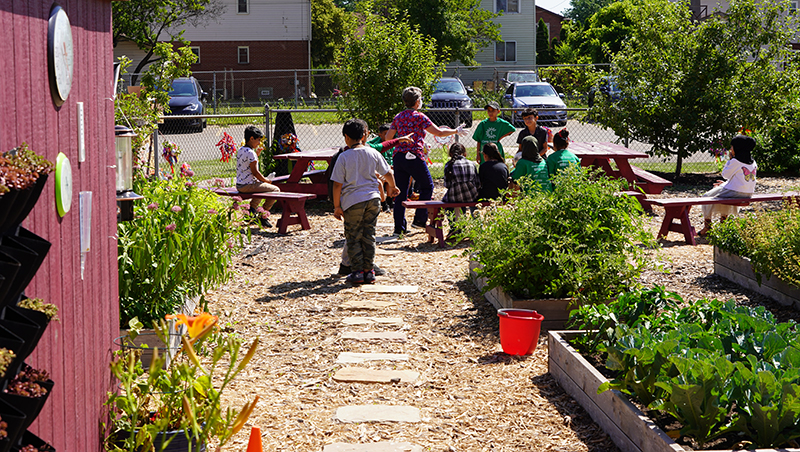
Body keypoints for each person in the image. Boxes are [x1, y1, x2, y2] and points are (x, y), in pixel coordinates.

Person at [331, 119, 400, 285]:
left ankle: (357, 272)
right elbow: (388, 172)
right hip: (373, 199)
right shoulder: (373, 153)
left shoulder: (344, 157)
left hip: (352, 201)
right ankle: (369, 271)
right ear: (364, 135)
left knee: (354, 236)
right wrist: (393, 187)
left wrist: (337, 206)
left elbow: (337, 184)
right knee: (369, 235)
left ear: (346, 137)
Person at [386, 86, 463, 235]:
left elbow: (389, 138)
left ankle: (399, 229)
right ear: (417, 102)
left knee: (400, 192)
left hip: (399, 157)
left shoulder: (398, 117)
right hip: (415, 155)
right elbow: (439, 132)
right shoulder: (420, 117)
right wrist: (456, 130)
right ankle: (420, 220)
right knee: (427, 186)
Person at [697, 134, 758, 237]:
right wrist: (724, 185)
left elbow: (725, 175)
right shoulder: (752, 162)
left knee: (706, 197)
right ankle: (723, 224)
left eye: (732, 147)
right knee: (721, 193)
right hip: (748, 193)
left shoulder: (735, 161)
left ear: (737, 148)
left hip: (735, 192)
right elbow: (739, 179)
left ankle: (707, 227)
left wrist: (730, 160)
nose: (730, 149)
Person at [236, 125, 280, 227]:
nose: (259, 143)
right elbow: (255, 172)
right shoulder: (251, 153)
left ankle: (251, 210)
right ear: (251, 138)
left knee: (260, 188)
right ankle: (263, 215)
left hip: (240, 184)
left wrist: (257, 155)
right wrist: (266, 180)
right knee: (275, 190)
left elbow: (246, 163)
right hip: (248, 185)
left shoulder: (241, 150)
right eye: (258, 140)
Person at [366, 124, 412, 212]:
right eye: (386, 134)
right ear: (380, 135)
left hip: (390, 169)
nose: (389, 136)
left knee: (405, 174)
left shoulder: (392, 144)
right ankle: (385, 204)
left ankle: (396, 199)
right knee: (383, 178)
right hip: (380, 170)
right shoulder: (372, 146)